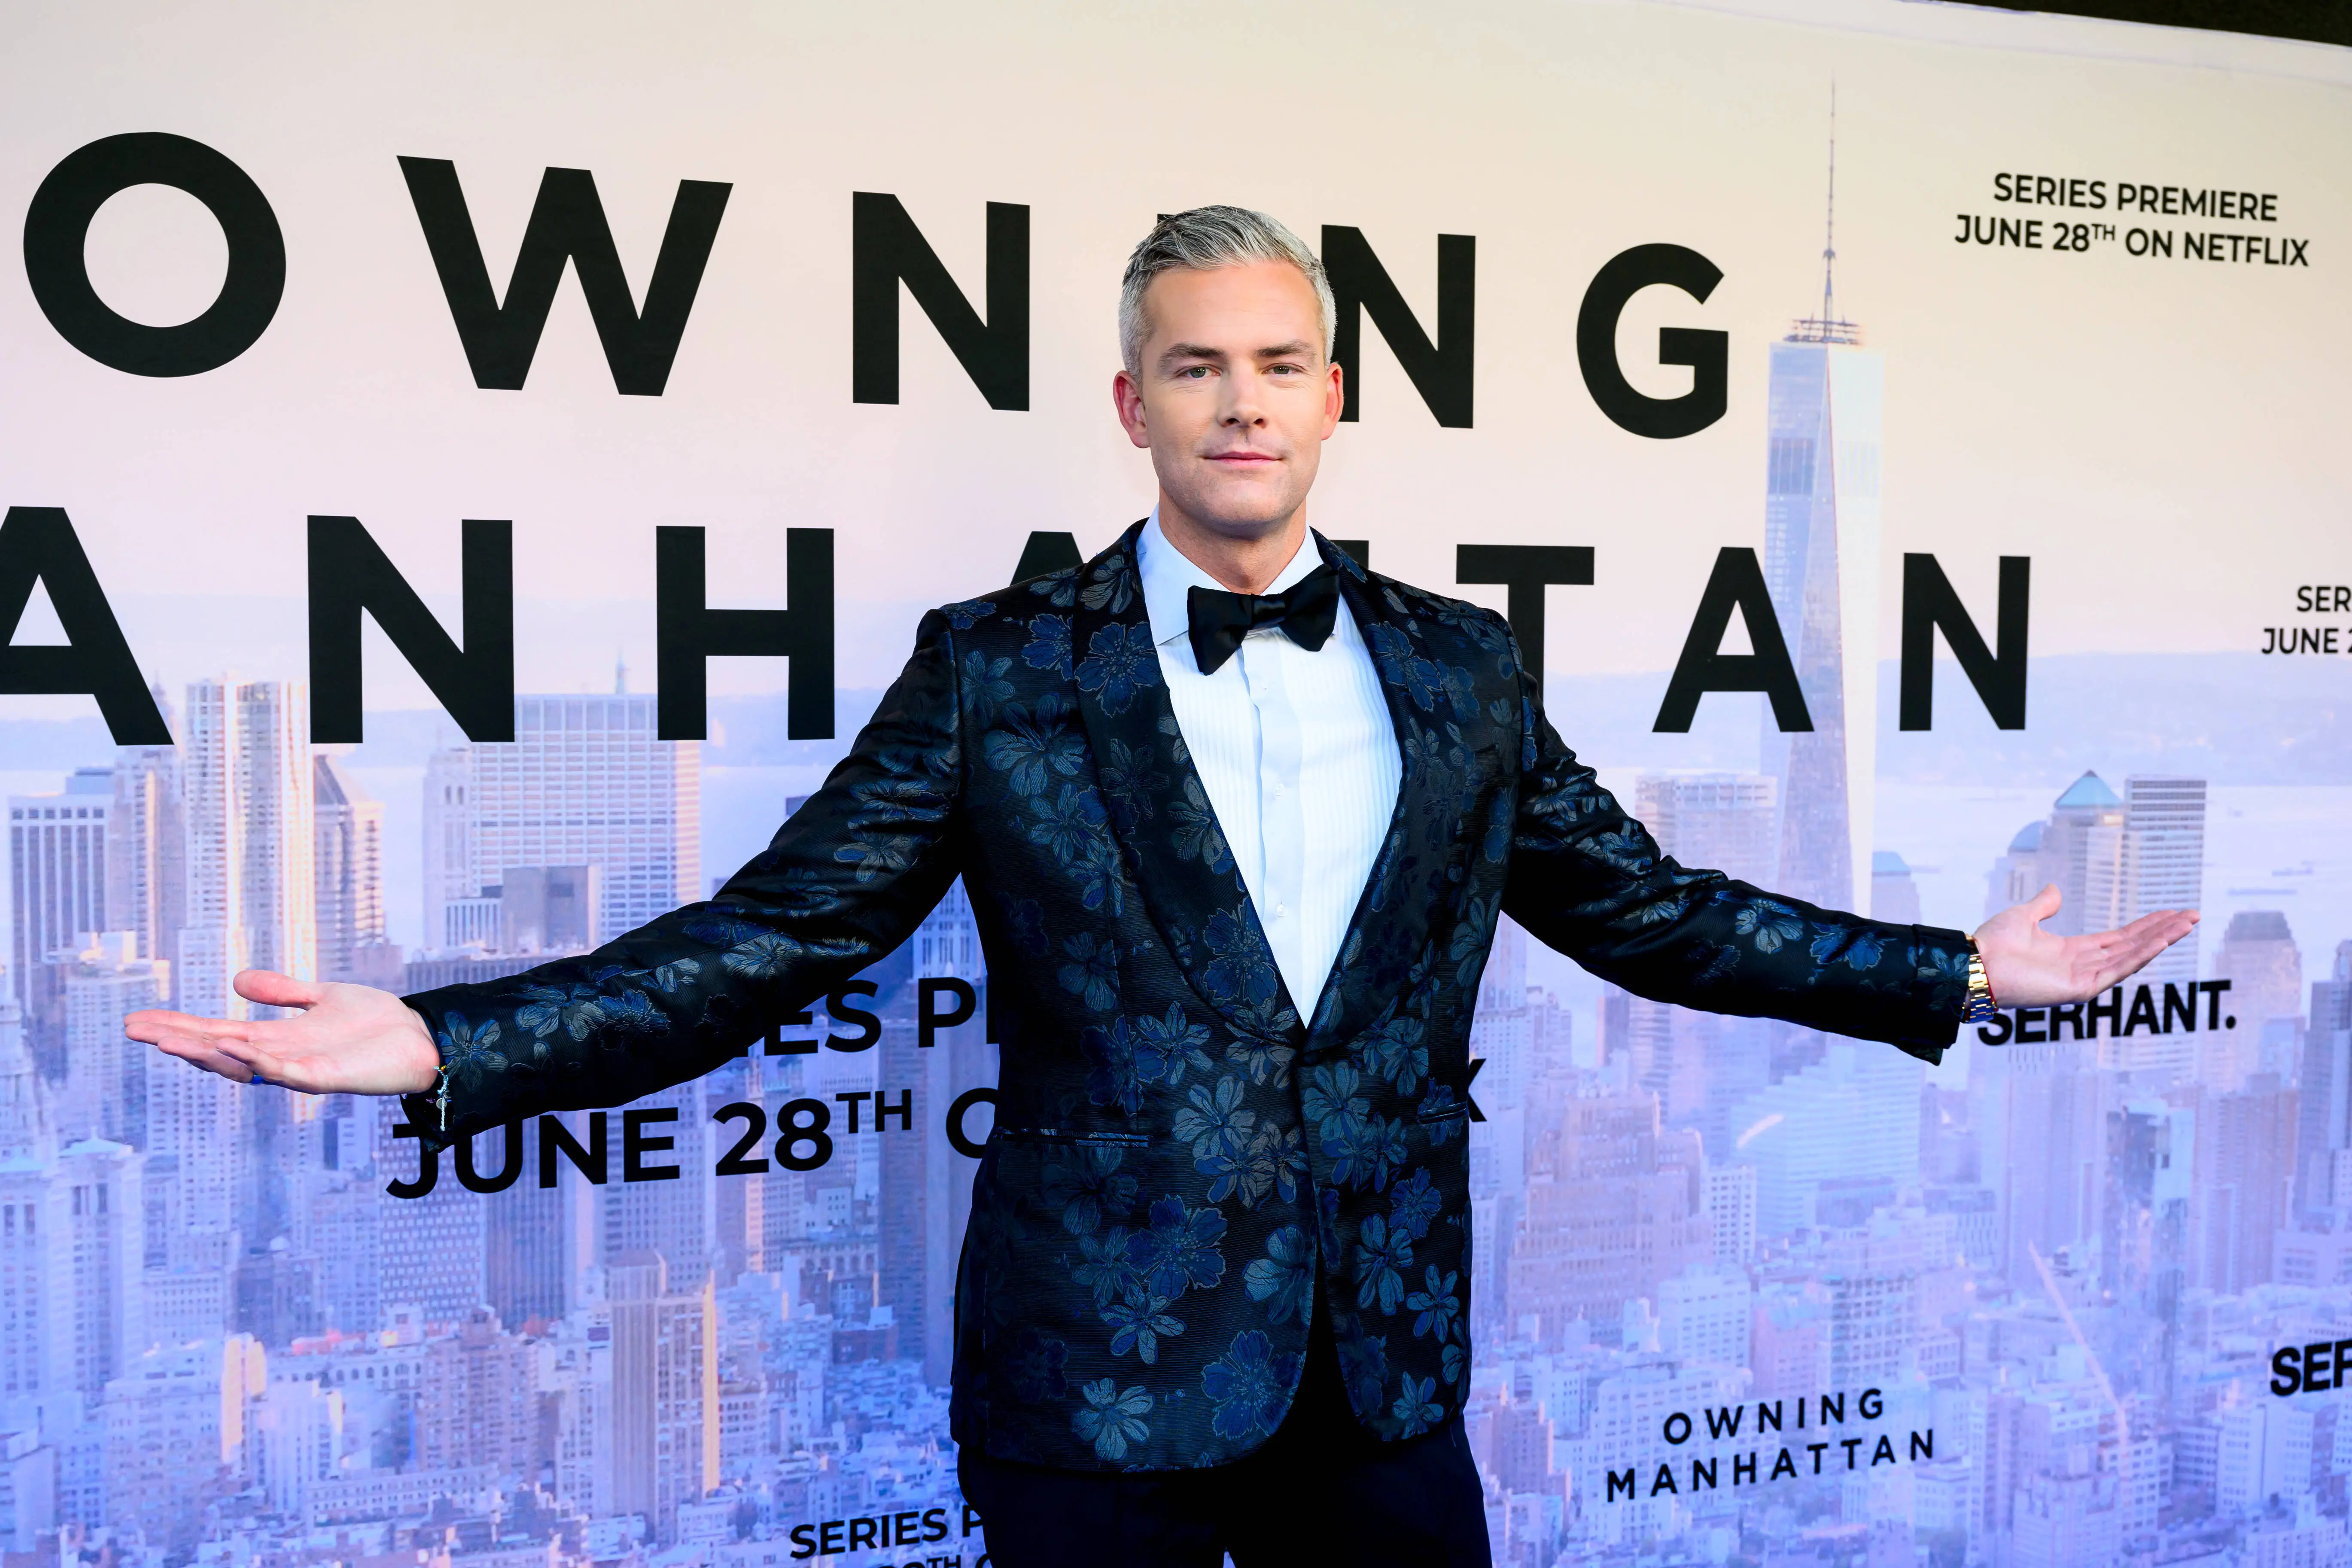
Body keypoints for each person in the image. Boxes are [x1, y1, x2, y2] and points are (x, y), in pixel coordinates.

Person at [129, 206, 2195, 1567]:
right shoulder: (999, 675)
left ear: (1332, 401)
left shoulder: (1462, 673)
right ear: (1134, 404)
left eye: (1280, 364)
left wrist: (1953, 970)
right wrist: (437, 1036)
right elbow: (778, 936)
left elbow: (1653, 910)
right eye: (1195, 366)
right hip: (1085, 1389)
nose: (1240, 400)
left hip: (1382, 1384)